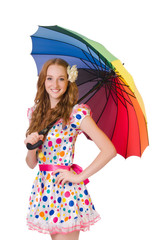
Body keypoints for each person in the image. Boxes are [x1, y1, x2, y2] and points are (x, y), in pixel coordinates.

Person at [24, 58, 117, 240]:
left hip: (64, 190)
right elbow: (31, 164)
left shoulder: (76, 114)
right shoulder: (36, 113)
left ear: (69, 81)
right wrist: (30, 146)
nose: (55, 84)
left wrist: (79, 177)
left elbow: (109, 150)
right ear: (43, 81)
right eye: (50, 78)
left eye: (61, 79)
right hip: (44, 190)